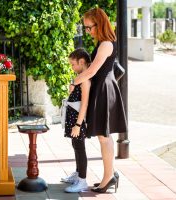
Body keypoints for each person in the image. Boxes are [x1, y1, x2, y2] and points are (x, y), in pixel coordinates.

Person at [72, 8, 127, 193]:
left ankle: (108, 178)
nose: (88, 31)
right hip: (102, 88)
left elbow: (92, 71)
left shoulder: (106, 44)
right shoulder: (104, 42)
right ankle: (109, 175)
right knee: (104, 136)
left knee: (104, 137)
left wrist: (75, 82)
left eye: (89, 27)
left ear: (99, 23)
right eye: (86, 28)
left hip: (104, 89)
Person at [61, 48, 91, 193]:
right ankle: (78, 174)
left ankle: (83, 181)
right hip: (73, 119)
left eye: (73, 64)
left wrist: (78, 125)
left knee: (80, 148)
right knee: (76, 146)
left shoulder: (85, 80)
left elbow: (84, 104)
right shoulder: (80, 77)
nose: (72, 68)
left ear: (82, 62)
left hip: (78, 121)